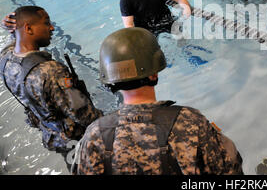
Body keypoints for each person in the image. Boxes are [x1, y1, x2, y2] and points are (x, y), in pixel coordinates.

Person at [73, 27, 243, 175]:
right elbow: (230, 169)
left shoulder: (94, 136)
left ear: (111, 81)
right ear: (154, 74)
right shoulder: (189, 122)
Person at [0, 6, 102, 168]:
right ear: (28, 28)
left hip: (53, 136)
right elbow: (85, 115)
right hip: (78, 139)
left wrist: (14, 29)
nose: (52, 27)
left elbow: (13, 43)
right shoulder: (50, 71)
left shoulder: (6, 61)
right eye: (46, 23)